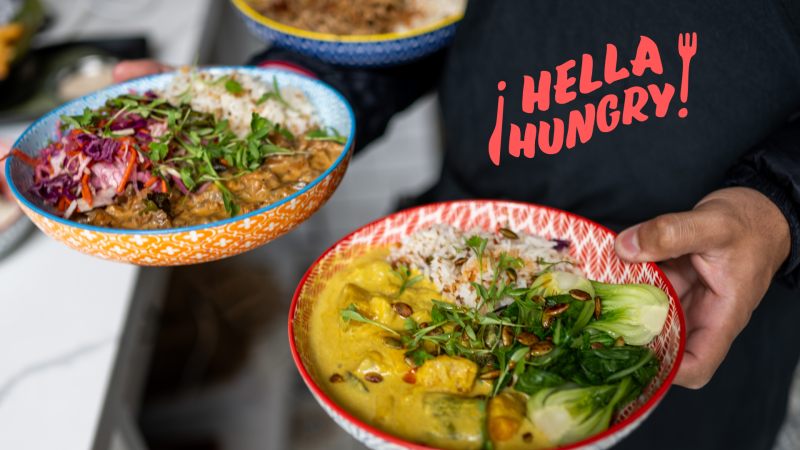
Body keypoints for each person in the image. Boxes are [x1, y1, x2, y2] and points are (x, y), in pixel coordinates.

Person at [114, 1, 800, 448]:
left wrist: (778, 201)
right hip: (457, 254)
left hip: (712, 290)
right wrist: (274, 108)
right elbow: (393, 23)